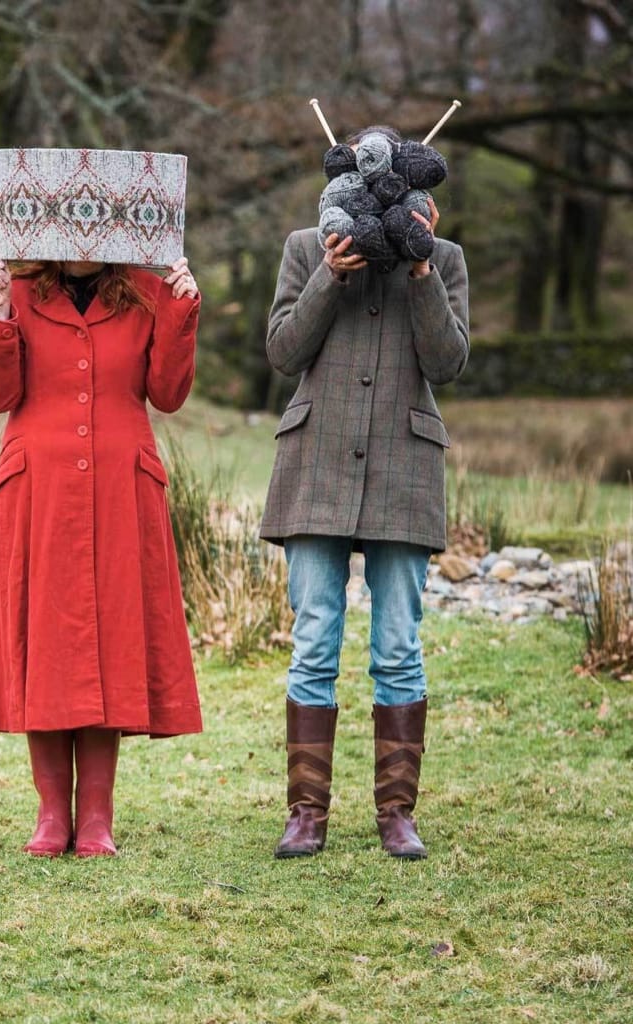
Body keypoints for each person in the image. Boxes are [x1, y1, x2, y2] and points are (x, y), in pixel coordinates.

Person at [260, 125, 470, 861]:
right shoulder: (303, 246)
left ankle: (396, 815)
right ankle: (306, 815)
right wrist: (330, 273)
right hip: (314, 464)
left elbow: (447, 364)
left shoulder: (442, 259)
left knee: (399, 650)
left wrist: (419, 274)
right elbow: (283, 351)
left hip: (405, 471)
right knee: (313, 642)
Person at [0, 254, 203, 857]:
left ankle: (96, 815)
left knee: (110, 645)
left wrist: (181, 308)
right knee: (45, 644)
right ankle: (51, 815)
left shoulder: (148, 292)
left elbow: (168, 395)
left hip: (121, 489)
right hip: (36, 492)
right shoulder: (15, 289)